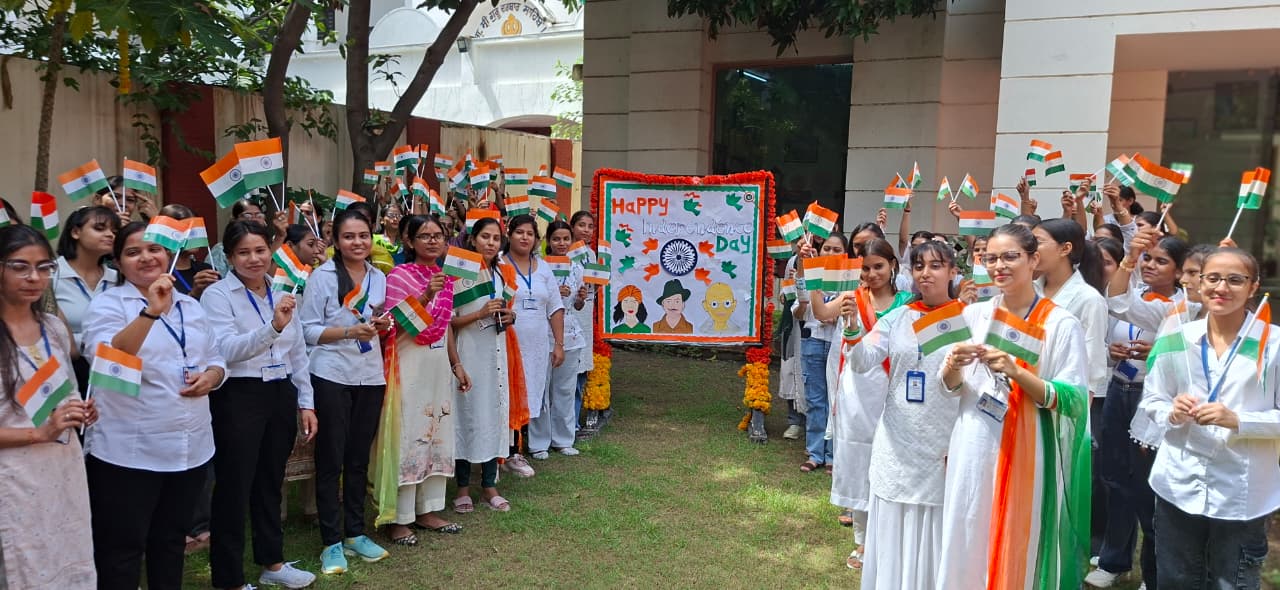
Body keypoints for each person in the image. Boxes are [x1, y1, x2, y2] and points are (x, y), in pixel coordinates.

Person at [936, 223, 1090, 590]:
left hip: (1029, 449)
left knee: (1022, 533)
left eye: (1010, 257)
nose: (999, 266)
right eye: (991, 258)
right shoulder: (974, 315)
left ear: (1034, 259)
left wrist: (1016, 372)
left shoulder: (1060, 323)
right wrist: (954, 365)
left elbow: (1073, 398)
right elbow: (951, 388)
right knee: (968, 528)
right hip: (973, 441)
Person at [83, 221, 228, 590]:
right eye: (133, 252)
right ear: (118, 262)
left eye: (154, 249)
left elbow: (216, 358)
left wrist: (212, 377)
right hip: (129, 451)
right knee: (123, 548)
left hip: (188, 448)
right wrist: (150, 312)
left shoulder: (190, 308)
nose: (146, 257)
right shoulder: (108, 304)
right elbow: (108, 359)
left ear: (168, 254)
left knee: (170, 541)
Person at [1140, 247, 1280, 588]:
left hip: (1241, 493)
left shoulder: (1273, 345)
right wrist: (1171, 412)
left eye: (1235, 280)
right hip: (1177, 484)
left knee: (1233, 581)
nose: (1222, 288)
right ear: (1199, 284)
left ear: (1253, 287)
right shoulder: (1177, 338)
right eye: (1213, 278)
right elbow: (1153, 399)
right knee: (1176, 579)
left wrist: (1238, 419)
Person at [200, 221, 318, 590]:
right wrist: (272, 327)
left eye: (260, 250)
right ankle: (228, 579)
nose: (253, 259)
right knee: (234, 487)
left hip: (280, 391)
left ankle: (273, 562)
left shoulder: (283, 287)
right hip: (238, 395)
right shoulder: (218, 295)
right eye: (243, 253)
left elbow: (297, 351)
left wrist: (306, 401)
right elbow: (225, 351)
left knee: (271, 481)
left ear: (271, 250)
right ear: (230, 256)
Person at [845, 240, 965, 590]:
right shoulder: (898, 317)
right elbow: (862, 361)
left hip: (943, 440)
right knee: (894, 520)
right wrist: (852, 327)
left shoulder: (967, 318)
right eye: (919, 266)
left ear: (953, 272)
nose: (925, 273)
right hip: (896, 440)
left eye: (936, 266)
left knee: (937, 523)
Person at [1087, 231, 1188, 589]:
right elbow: (1116, 299)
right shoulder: (1143, 298)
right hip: (1121, 389)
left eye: (1161, 261)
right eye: (1149, 259)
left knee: (1150, 490)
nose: (1150, 266)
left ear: (1180, 272)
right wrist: (1131, 255)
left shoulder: (1188, 306)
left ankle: (1154, 570)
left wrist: (1156, 353)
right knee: (1115, 479)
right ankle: (1114, 560)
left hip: (1155, 400)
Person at [0, 225, 98, 589]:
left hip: (63, 466)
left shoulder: (53, 327)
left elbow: (66, 392)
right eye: (20, 266)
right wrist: (38, 431)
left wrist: (79, 412)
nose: (34, 277)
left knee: (69, 558)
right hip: (14, 475)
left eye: (44, 267)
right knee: (24, 567)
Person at [811, 237, 914, 567]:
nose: (872, 274)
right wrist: (811, 274)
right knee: (857, 461)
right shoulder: (851, 297)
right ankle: (862, 542)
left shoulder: (909, 302)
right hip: (856, 390)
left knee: (892, 462)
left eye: (879, 267)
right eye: (866, 268)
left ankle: (890, 538)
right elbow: (819, 312)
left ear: (893, 266)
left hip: (894, 389)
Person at [299, 209, 391, 575]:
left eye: (364, 235)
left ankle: (355, 532)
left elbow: (375, 319)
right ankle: (331, 542)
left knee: (357, 458)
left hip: (369, 375)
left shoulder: (377, 277)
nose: (358, 242)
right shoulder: (321, 278)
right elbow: (306, 330)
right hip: (331, 373)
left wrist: (378, 325)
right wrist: (350, 333)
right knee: (331, 459)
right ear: (336, 240)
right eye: (349, 236)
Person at [378, 214, 471, 546]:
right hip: (409, 362)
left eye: (438, 235)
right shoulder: (399, 276)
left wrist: (456, 363)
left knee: (437, 430)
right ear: (409, 241)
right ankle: (399, 518)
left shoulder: (445, 277)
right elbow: (395, 324)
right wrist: (425, 295)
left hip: (436, 365)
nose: (433, 241)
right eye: (425, 235)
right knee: (410, 434)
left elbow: (445, 326)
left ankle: (428, 510)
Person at [451, 216, 516, 513]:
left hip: (495, 351)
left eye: (495, 238)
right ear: (472, 238)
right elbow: (448, 320)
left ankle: (489, 484)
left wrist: (508, 317)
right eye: (485, 237)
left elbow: (503, 310)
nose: (490, 243)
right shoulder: (459, 271)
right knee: (467, 415)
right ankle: (462, 487)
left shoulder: (501, 274)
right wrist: (478, 315)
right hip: (468, 352)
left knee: (493, 413)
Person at [504, 215, 566, 462]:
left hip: (537, 345)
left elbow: (555, 307)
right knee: (507, 394)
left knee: (531, 392)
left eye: (530, 233)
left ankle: (518, 450)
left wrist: (559, 344)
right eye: (519, 232)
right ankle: (506, 452)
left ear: (536, 239)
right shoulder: (499, 264)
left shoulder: (543, 268)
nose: (524, 237)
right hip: (507, 344)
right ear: (509, 235)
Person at [53, 205, 120, 390]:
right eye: (99, 228)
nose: (110, 235)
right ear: (75, 232)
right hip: (65, 374)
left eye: (114, 231)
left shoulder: (119, 279)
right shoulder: (49, 275)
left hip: (113, 375)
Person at [792, 233, 839, 473]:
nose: (831, 253)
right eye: (827, 249)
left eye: (837, 250)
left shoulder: (848, 279)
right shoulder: (811, 274)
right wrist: (802, 261)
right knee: (815, 399)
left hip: (836, 344)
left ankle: (832, 456)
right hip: (813, 342)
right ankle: (815, 453)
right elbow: (799, 304)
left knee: (835, 400)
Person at [540, 219, 587, 456]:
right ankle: (539, 442)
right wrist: (553, 294)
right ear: (548, 241)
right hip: (544, 334)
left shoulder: (577, 268)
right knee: (543, 388)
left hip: (570, 333)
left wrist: (580, 297)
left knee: (565, 389)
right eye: (556, 239)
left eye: (566, 239)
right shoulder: (539, 266)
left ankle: (563, 439)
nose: (561, 243)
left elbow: (577, 306)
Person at [569, 210, 599, 429]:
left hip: (585, 314)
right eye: (581, 225)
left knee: (581, 370)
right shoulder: (563, 252)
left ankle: (575, 420)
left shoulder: (593, 255)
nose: (586, 230)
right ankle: (562, 420)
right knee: (566, 370)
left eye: (590, 226)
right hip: (567, 313)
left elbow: (593, 288)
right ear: (572, 227)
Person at [210, 200, 270, 276]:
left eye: (259, 216)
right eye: (247, 216)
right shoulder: (220, 249)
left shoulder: (273, 243)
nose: (254, 219)